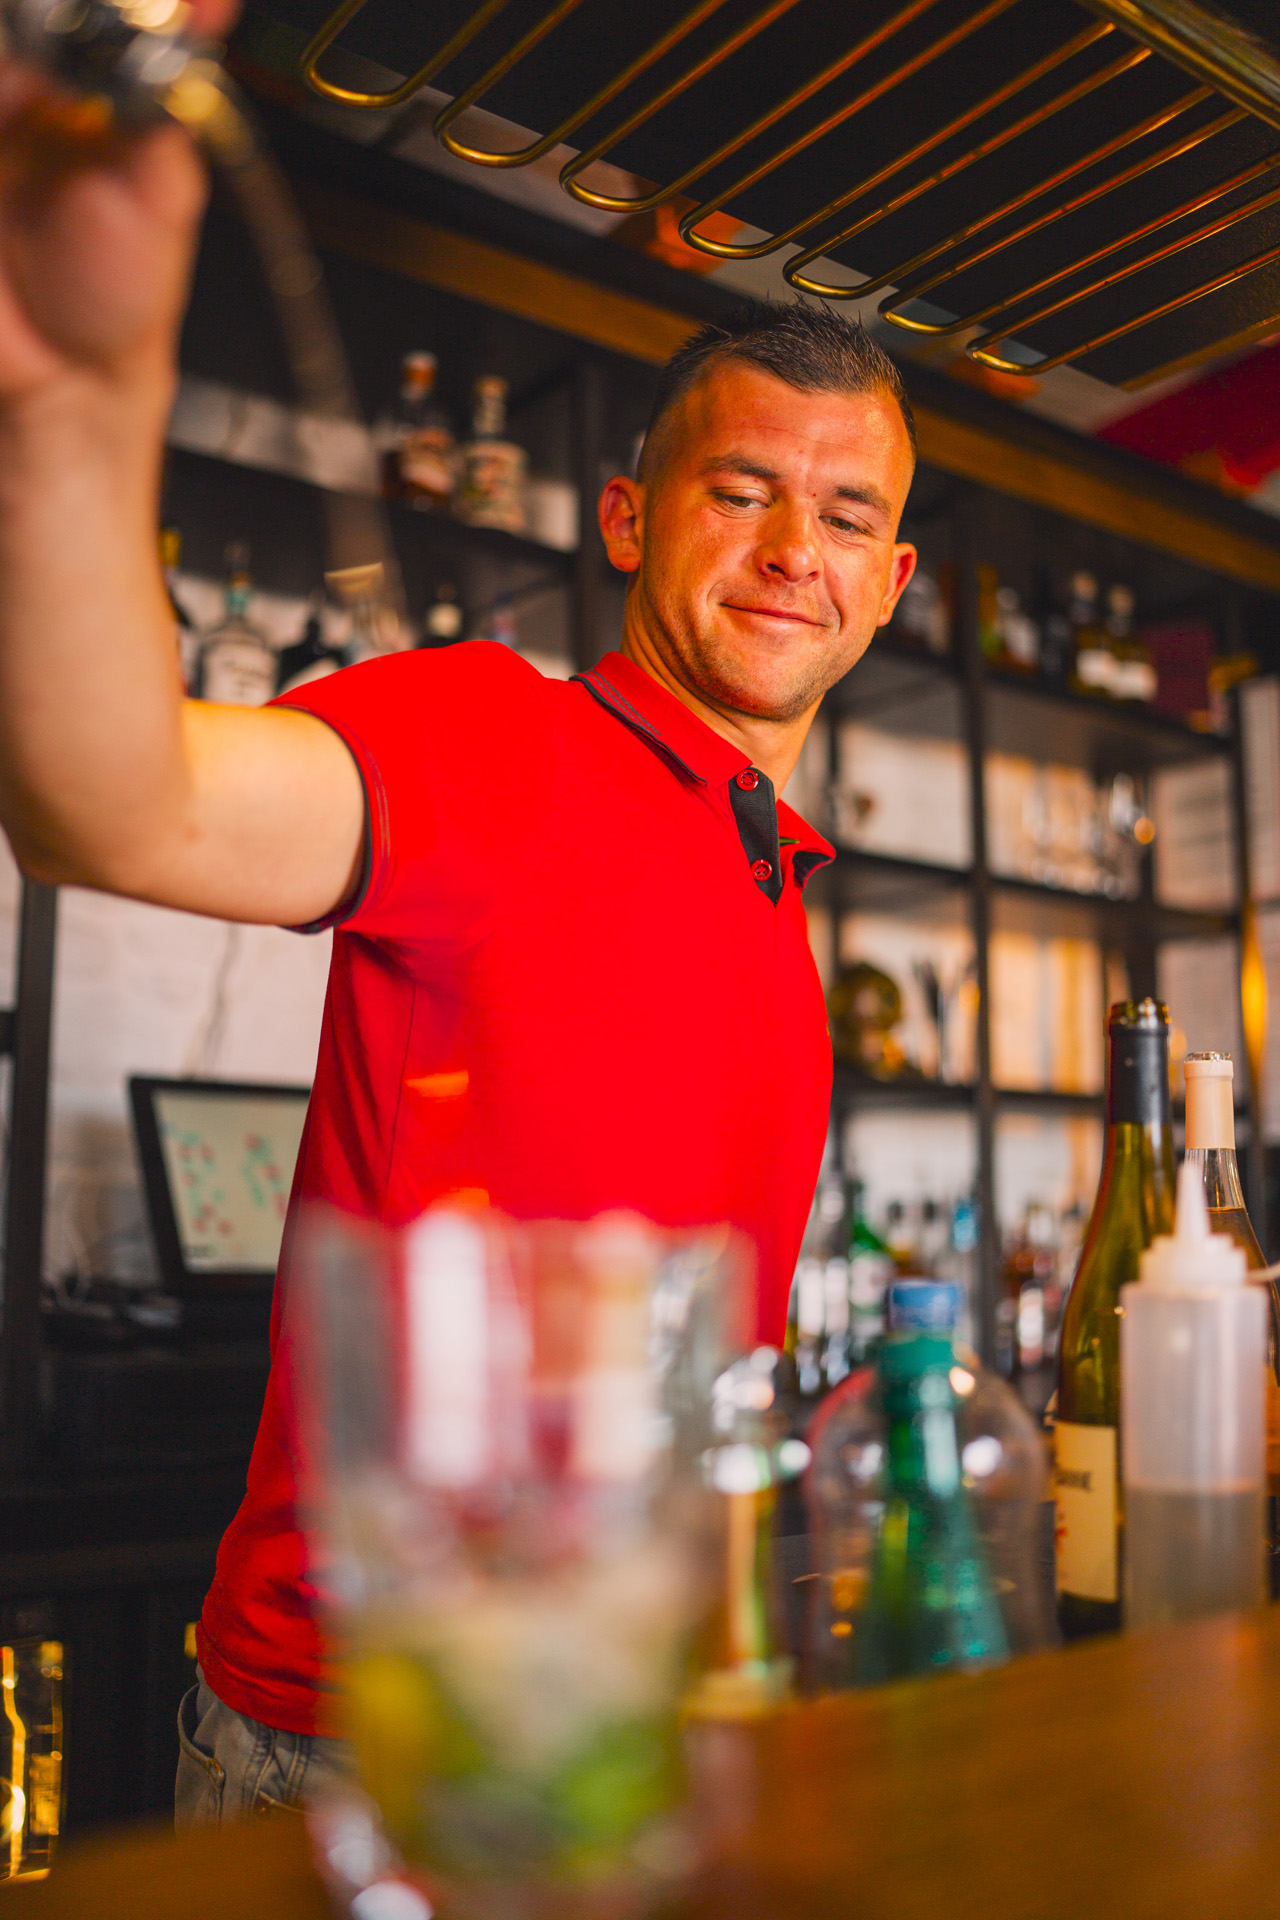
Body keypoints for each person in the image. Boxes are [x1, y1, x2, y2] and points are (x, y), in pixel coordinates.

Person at [0, 19, 917, 1823]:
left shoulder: (769, 870)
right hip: (374, 1745)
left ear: (890, 587)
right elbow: (108, 801)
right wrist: (68, 408)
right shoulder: (501, 739)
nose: (791, 550)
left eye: (844, 515)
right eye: (741, 493)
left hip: (630, 1716)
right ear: (629, 520)